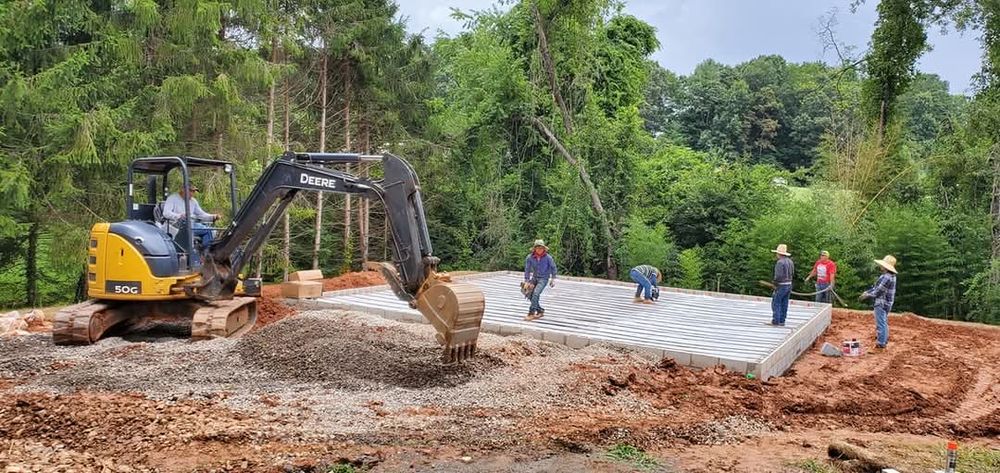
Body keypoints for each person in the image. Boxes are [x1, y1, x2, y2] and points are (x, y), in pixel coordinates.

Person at [162, 184, 219, 257]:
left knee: (209, 230)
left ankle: (205, 255)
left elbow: (201, 214)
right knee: (205, 230)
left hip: (190, 224)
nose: (192, 193)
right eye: (191, 191)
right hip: (175, 225)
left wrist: (213, 217)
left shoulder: (193, 201)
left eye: (194, 191)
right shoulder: (172, 198)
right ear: (182, 189)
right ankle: (202, 256)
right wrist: (179, 216)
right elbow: (166, 213)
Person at [860, 255, 897, 350]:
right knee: (883, 322)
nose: (880, 266)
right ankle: (884, 340)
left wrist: (866, 295)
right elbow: (876, 288)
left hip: (881, 303)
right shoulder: (890, 276)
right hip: (887, 303)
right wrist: (868, 292)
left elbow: (878, 292)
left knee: (880, 323)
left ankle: (881, 343)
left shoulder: (886, 277)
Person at [523, 239, 557, 321]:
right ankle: (540, 310)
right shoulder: (530, 257)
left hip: (544, 278)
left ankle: (531, 313)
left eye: (541, 248)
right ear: (534, 248)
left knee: (536, 293)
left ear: (544, 249)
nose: (539, 249)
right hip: (534, 278)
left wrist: (553, 279)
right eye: (537, 247)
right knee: (528, 293)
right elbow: (527, 269)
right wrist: (527, 281)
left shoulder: (548, 258)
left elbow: (553, 268)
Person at [770, 244, 794, 326]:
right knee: (785, 302)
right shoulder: (790, 261)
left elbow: (778, 276)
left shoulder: (780, 262)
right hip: (789, 284)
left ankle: (776, 320)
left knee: (776, 302)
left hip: (781, 285)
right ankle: (782, 320)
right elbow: (792, 273)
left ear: (778, 254)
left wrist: (775, 283)